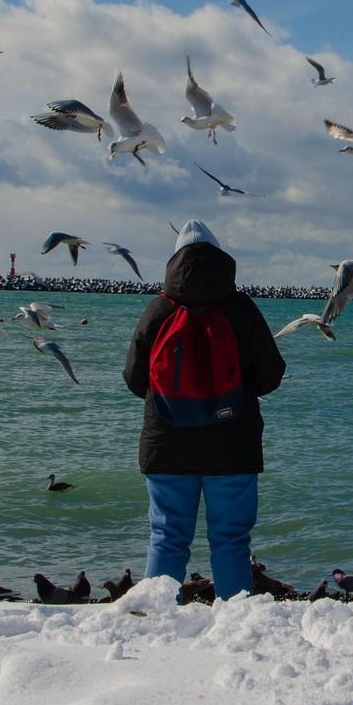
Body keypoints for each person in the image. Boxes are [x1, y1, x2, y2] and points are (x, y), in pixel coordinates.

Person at [122, 220, 285, 601]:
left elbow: (133, 379)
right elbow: (271, 376)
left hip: (166, 443)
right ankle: (235, 620)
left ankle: (157, 618)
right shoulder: (241, 309)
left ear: (175, 259)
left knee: (166, 536)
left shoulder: (159, 309)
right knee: (230, 540)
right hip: (232, 447)